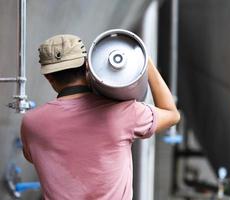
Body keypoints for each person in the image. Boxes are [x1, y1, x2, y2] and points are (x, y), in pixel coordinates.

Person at [21, 34, 180, 200]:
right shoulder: (124, 113)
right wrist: (146, 63)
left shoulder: (32, 123)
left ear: (48, 77)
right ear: (87, 65)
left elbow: (33, 157)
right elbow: (172, 115)